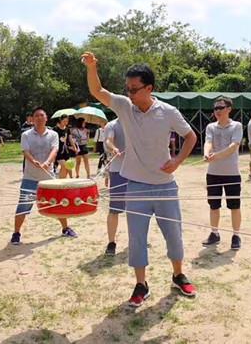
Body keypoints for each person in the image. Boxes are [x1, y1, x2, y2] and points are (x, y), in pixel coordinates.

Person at [83, 51, 198, 306]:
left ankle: (178, 275)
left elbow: (191, 137)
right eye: (128, 89)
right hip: (134, 186)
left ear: (149, 88)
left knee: (174, 234)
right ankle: (141, 284)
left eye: (135, 90)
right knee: (136, 238)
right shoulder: (125, 107)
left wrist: (177, 161)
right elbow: (98, 91)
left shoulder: (168, 112)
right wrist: (92, 67)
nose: (130, 94)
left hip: (165, 187)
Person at [11, 107, 77, 245]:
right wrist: (33, 160)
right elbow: (26, 151)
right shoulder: (26, 135)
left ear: (46, 118)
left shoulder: (53, 134)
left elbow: (55, 149)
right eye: (36, 116)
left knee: (58, 203)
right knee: (23, 205)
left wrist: (48, 162)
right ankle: (16, 233)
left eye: (42, 115)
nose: (39, 118)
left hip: (48, 177)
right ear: (32, 119)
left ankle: (65, 229)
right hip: (30, 177)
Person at [202, 97, 243, 250]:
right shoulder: (211, 127)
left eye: (220, 107)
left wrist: (216, 156)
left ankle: (236, 235)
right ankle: (214, 233)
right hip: (213, 174)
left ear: (229, 109)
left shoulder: (236, 126)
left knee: (234, 206)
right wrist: (207, 153)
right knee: (214, 206)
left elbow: (234, 146)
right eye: (215, 109)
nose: (217, 111)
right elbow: (208, 142)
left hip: (231, 173)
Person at [104, 118, 126, 256]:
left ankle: (138, 239)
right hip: (118, 171)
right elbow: (108, 141)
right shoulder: (112, 125)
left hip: (137, 171)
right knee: (114, 209)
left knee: (137, 208)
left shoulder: (137, 122)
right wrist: (114, 148)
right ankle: (111, 242)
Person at [53, 114, 78, 178]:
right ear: (60, 120)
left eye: (67, 121)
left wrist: (74, 147)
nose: (66, 123)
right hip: (58, 151)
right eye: (64, 121)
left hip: (65, 151)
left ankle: (62, 180)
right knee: (64, 166)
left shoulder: (67, 129)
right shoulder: (55, 129)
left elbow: (70, 139)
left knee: (68, 167)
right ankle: (60, 181)